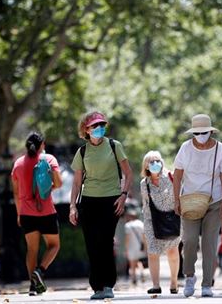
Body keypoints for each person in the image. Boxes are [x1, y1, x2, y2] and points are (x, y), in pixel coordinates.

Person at [69, 112, 133, 300]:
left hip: (111, 200)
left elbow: (128, 174)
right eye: (94, 126)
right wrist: (73, 206)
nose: (99, 129)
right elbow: (76, 182)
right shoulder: (82, 152)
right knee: (92, 244)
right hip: (88, 201)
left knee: (105, 242)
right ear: (86, 130)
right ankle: (96, 286)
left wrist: (123, 196)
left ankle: (108, 285)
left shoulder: (114, 146)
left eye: (101, 125)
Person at [173, 114, 222, 298]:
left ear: (211, 131)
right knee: (189, 240)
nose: (201, 135)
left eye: (204, 132)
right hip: (190, 201)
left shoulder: (219, 148)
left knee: (209, 244)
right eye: (197, 132)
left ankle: (207, 284)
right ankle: (189, 276)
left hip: (213, 201)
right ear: (193, 133)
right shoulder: (185, 148)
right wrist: (176, 200)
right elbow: (178, 174)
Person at [11, 132, 63, 296]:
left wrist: (19, 214)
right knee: (54, 245)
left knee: (32, 249)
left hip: (26, 213)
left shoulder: (18, 163)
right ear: (42, 145)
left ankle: (33, 287)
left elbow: (16, 193)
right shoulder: (49, 159)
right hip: (46, 210)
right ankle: (40, 271)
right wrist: (48, 189)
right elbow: (59, 183)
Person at [139, 150, 181, 294]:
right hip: (152, 220)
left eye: (158, 160)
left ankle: (174, 282)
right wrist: (146, 226)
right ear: (146, 166)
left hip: (172, 219)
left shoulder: (170, 176)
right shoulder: (144, 184)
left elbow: (180, 194)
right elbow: (145, 204)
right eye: (152, 162)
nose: (156, 164)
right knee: (152, 252)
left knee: (172, 251)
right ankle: (156, 285)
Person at [124, 209, 146, 286]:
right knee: (139, 261)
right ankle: (142, 273)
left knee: (132, 263)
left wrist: (126, 248)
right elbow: (144, 236)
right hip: (140, 246)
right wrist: (145, 246)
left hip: (131, 246)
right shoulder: (141, 224)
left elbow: (127, 238)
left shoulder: (128, 225)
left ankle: (134, 278)